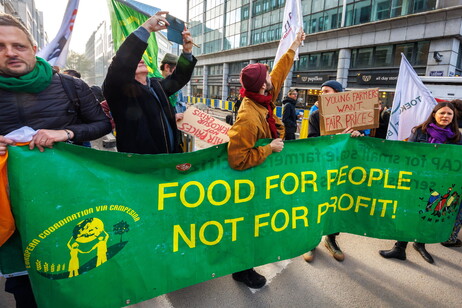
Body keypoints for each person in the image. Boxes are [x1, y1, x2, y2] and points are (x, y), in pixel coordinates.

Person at [0, 13, 111, 307]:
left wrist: (64, 132)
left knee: (75, 271)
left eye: (18, 45)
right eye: (0, 46)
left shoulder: (70, 87)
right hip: (12, 209)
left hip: (68, 200)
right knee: (25, 285)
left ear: (33, 48)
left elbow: (102, 125)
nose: (10, 53)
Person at [227, 30, 306, 288]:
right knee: (249, 225)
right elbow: (237, 159)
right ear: (262, 84)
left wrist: (294, 45)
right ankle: (242, 269)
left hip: (264, 176)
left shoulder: (262, 96)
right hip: (250, 180)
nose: (271, 76)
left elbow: (280, 71)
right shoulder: (248, 116)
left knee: (260, 224)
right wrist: (269, 149)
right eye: (266, 74)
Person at [103, 11, 196, 155]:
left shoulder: (156, 84)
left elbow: (179, 78)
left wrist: (187, 52)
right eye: (135, 59)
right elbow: (121, 63)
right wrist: (147, 28)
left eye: (141, 58)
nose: (140, 59)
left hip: (170, 156)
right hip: (143, 164)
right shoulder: (119, 90)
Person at [379, 102, 462, 263]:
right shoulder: (419, 131)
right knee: (408, 213)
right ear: (434, 114)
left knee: (427, 213)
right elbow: (408, 154)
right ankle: (399, 248)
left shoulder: (457, 138)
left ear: (454, 117)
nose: (445, 116)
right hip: (417, 181)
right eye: (442, 113)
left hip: (439, 184)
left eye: (449, 114)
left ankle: (420, 244)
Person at [303, 80, 362, 263]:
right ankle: (310, 241)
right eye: (322, 92)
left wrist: (357, 136)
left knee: (336, 204)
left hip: (343, 169)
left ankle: (331, 239)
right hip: (321, 168)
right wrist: (331, 138)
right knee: (317, 203)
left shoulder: (352, 116)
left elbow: (363, 143)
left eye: (327, 91)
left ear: (338, 94)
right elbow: (311, 141)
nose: (323, 94)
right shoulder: (315, 116)